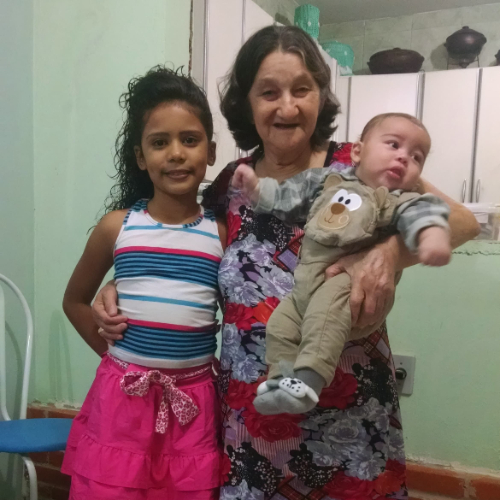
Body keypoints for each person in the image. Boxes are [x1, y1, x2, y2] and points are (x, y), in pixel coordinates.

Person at [93, 27, 479, 500]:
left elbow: (462, 221)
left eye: (302, 89)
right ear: (247, 103)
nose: (288, 107)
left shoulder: (362, 164)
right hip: (251, 421)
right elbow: (182, 247)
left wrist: (385, 254)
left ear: (321, 95)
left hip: (349, 419)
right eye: (269, 92)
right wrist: (117, 285)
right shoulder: (231, 184)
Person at [61, 66, 225, 500]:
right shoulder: (116, 228)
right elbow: (75, 301)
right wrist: (116, 359)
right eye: (159, 142)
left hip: (194, 407)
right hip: (122, 404)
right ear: (140, 156)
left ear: (211, 151)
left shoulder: (222, 234)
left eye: (189, 140)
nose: (176, 153)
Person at [231, 113, 451, 415]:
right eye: (393, 144)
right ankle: (280, 380)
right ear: (357, 152)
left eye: (417, 157)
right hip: (305, 287)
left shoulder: (398, 199)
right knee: (280, 326)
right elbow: (288, 194)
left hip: (347, 287)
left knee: (325, 314)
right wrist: (258, 189)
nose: (404, 157)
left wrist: (432, 236)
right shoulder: (328, 181)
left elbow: (425, 212)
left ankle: (308, 382)